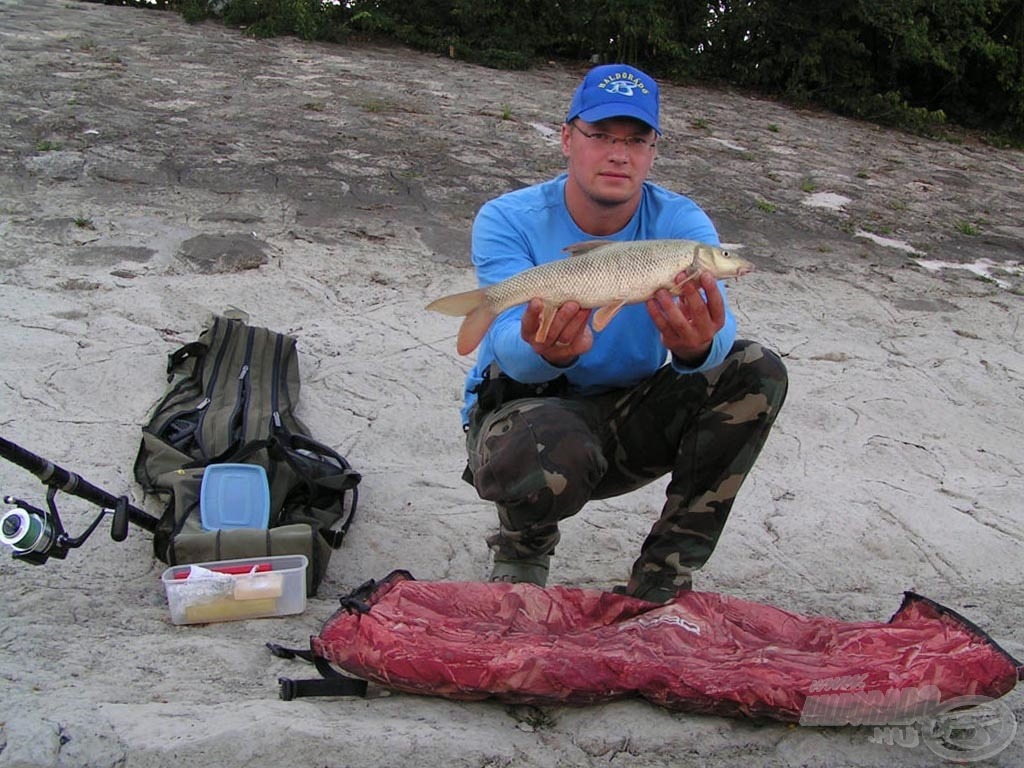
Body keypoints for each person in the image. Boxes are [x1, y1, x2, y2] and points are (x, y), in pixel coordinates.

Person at [459, 63, 788, 602]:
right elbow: (508, 353)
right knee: (539, 437)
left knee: (756, 369)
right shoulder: (507, 218)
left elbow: (720, 336)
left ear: (653, 151)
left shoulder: (682, 225)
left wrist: (698, 347)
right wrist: (551, 354)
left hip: (630, 411)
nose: (619, 154)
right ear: (567, 139)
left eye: (636, 140)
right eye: (602, 136)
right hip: (530, 412)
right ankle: (523, 547)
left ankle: (664, 573)